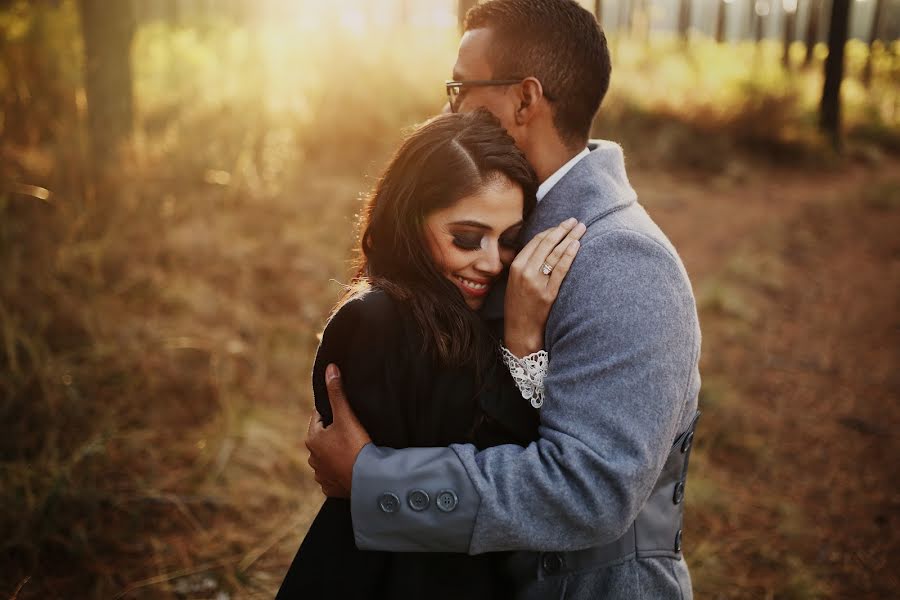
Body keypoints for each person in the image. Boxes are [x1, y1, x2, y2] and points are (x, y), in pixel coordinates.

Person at [306, 1, 702, 599]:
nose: (450, 107)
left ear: (524, 100)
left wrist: (376, 484)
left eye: (461, 87)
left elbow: (589, 488)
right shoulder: (500, 222)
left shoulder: (624, 261)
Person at [276, 109, 585, 599]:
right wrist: (523, 340)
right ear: (410, 220)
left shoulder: (461, 318)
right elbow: (484, 470)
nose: (489, 262)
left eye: (508, 241)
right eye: (466, 238)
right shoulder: (374, 322)